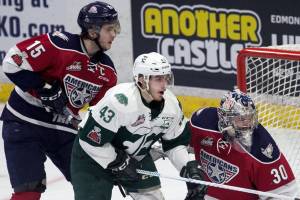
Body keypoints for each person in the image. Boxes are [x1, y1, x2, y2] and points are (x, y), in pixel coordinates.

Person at [0, 1, 120, 199]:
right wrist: (44, 88)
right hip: (24, 122)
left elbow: (101, 117)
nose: (114, 34)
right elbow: (12, 62)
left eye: (115, 29)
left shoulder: (107, 72)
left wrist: (114, 147)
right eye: (109, 29)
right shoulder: (58, 44)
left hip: (63, 129)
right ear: (92, 31)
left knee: (94, 186)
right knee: (28, 193)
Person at [70, 52, 207, 200]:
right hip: (92, 158)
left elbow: (174, 144)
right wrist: (119, 162)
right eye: (158, 79)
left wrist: (187, 167)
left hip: (135, 158)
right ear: (141, 79)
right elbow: (89, 140)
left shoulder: (172, 106)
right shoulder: (120, 102)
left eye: (166, 78)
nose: (164, 85)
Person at [189, 89, 299, 199]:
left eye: (250, 118)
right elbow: (177, 143)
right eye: (241, 119)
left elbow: (284, 193)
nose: (247, 124)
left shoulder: (263, 148)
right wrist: (187, 168)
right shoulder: (202, 122)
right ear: (225, 118)